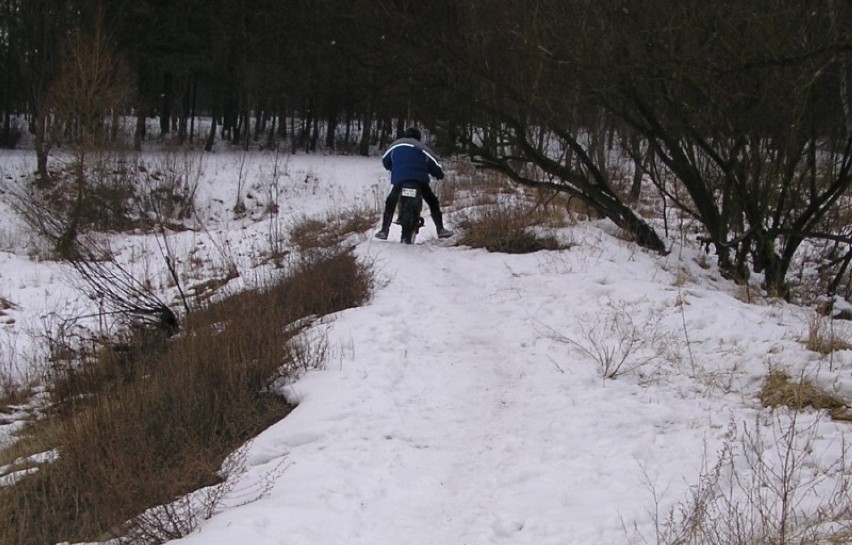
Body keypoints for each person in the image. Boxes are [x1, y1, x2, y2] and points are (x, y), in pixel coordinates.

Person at [375, 127, 453, 240]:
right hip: (419, 181)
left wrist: (393, 168)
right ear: (418, 138)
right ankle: (440, 229)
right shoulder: (423, 148)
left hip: (400, 180)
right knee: (432, 201)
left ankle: (384, 230)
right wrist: (439, 175)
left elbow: (385, 161)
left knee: (390, 202)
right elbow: (435, 165)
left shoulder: (395, 145)